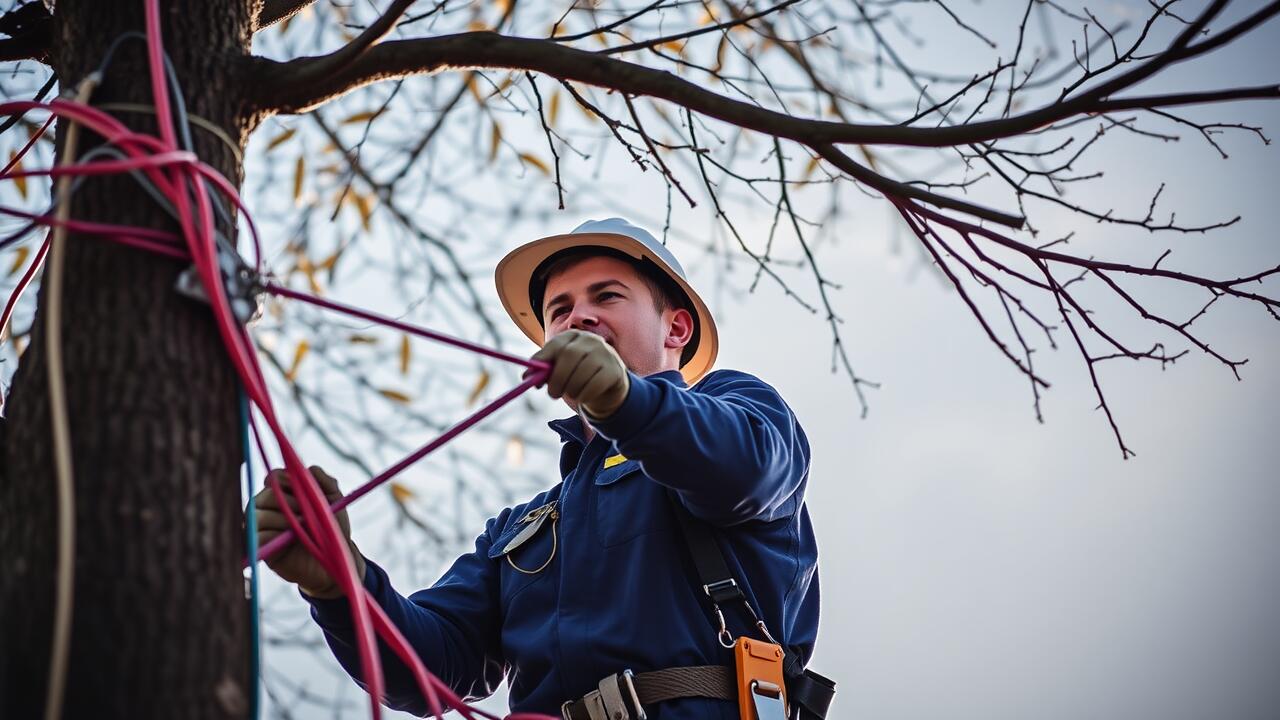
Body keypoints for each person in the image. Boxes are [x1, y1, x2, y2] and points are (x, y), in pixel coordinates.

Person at [253, 218, 822, 719]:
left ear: (675, 329)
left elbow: (741, 469)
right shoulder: (522, 528)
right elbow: (432, 664)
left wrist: (629, 402)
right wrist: (337, 581)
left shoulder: (739, 410)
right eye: (560, 310)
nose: (580, 318)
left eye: (607, 297)